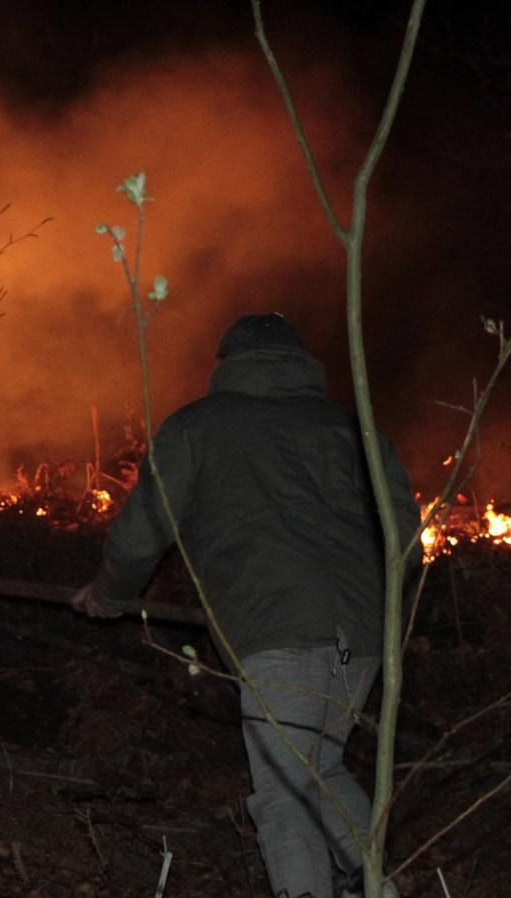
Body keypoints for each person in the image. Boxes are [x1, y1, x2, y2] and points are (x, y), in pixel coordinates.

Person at [70, 313, 419, 898]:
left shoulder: (200, 427)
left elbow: (142, 531)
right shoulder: (353, 431)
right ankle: (381, 886)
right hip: (361, 635)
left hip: (277, 631)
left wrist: (108, 594)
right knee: (319, 769)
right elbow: (404, 538)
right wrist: (381, 611)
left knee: (284, 789)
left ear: (227, 364)